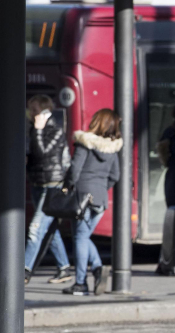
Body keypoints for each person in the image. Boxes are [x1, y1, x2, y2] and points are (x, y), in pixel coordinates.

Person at [62, 109, 122, 295]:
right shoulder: (112, 148)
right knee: (84, 237)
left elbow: (75, 170)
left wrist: (67, 186)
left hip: (82, 196)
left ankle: (81, 282)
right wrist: (101, 188)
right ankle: (96, 268)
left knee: (80, 238)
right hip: (100, 199)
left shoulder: (84, 143)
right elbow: (115, 176)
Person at [23, 95, 73, 285]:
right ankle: (64, 268)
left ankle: (24, 271)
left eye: (34, 110)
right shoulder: (34, 130)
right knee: (49, 228)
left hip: (52, 186)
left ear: (44, 112)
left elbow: (42, 153)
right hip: (37, 184)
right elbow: (34, 155)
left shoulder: (55, 131)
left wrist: (37, 130)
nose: (31, 113)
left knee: (35, 229)